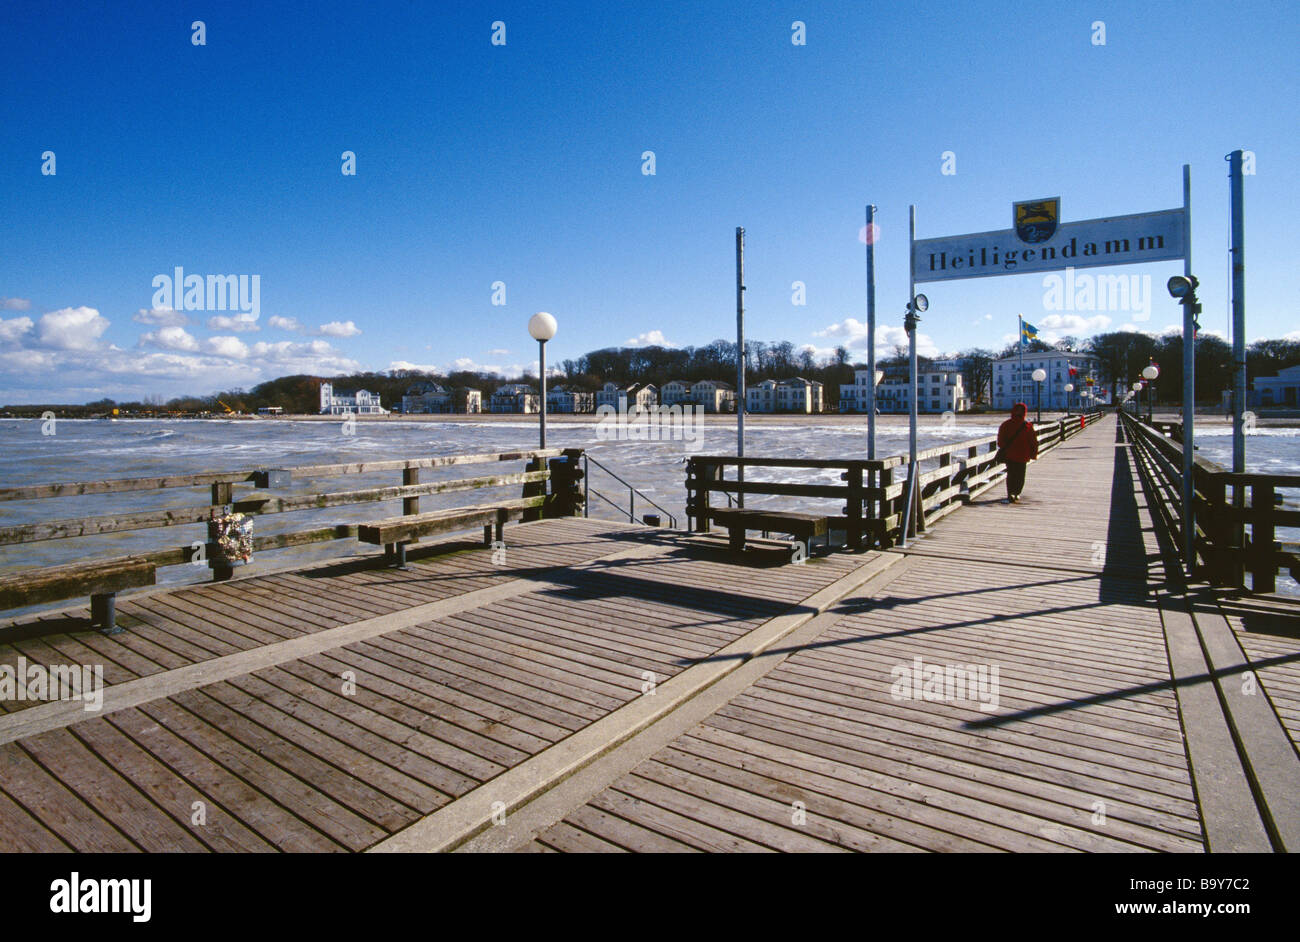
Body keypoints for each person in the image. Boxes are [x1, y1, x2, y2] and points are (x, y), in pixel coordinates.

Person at [997, 402, 1039, 503]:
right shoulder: (1007, 424)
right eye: (1017, 410)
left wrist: (1033, 453)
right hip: (1011, 455)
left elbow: (1033, 441)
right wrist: (1005, 448)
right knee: (1012, 474)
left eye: (1021, 410)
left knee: (1020, 475)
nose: (1019, 412)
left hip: (1022, 455)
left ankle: (1016, 493)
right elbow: (1001, 439)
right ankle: (1011, 493)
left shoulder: (1027, 426)